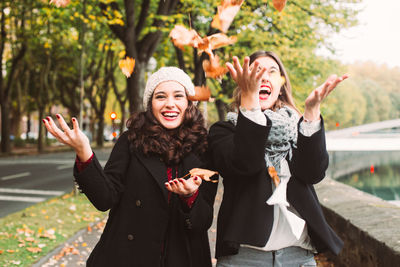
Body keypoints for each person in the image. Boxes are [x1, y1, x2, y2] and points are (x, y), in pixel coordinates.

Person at [43, 67, 218, 267]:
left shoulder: (204, 148)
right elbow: (104, 198)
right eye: (160, 97)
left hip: (183, 257)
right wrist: (84, 151)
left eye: (178, 96)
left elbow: (203, 222)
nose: (170, 104)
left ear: (189, 103)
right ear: (150, 104)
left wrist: (190, 196)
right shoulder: (131, 140)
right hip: (127, 256)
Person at [207, 51, 348, 266]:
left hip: (299, 257)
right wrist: (250, 101)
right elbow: (245, 164)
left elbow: (313, 173)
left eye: (272, 71)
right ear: (244, 82)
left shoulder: (298, 130)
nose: (264, 76)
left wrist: (311, 112)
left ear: (281, 86)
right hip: (245, 260)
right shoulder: (224, 132)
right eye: (256, 70)